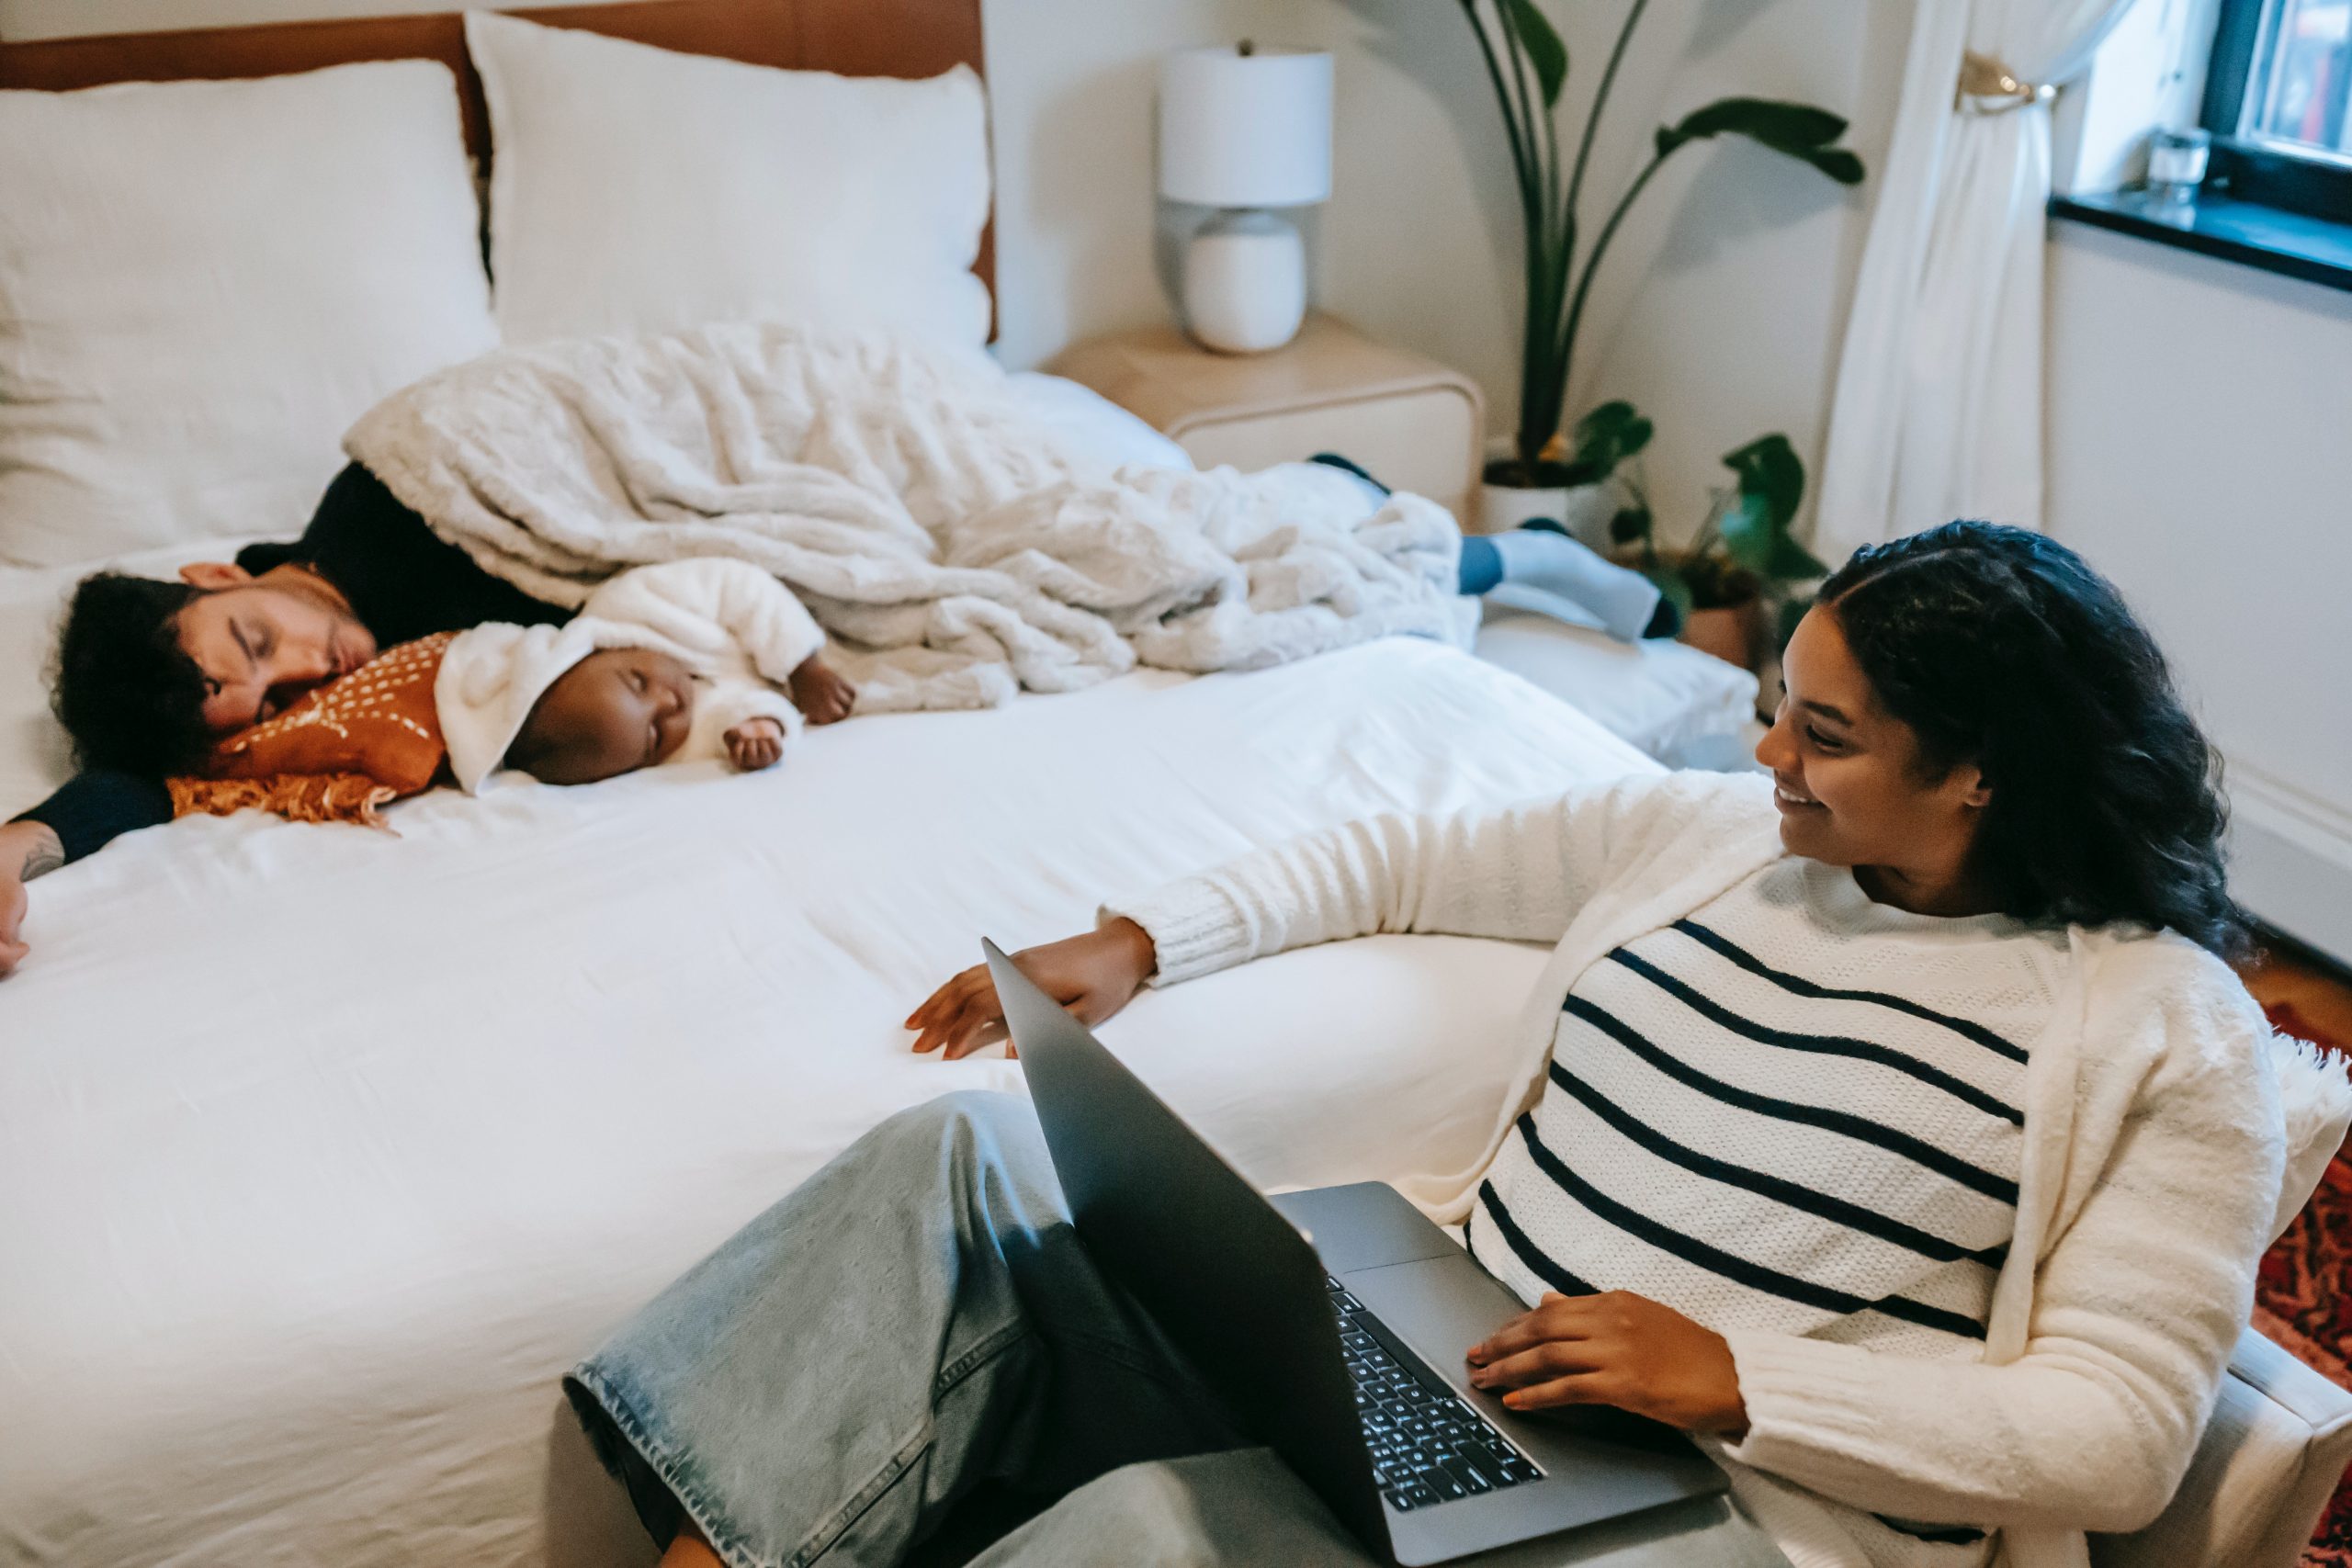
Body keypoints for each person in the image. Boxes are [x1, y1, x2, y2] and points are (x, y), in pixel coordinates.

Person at [561, 523, 2306, 1568]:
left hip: (1712, 1512)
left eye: (1825, 734)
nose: (1766, 749)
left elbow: (2119, 1431)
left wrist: (1734, 1377)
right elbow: (1414, 847)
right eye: (1773, 700)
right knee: (938, 1173)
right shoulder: (1711, 835)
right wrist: (1144, 936)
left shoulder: (2162, 1028)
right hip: (1442, 1376)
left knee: (1148, 1542)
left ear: (1981, 770)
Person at [0, 454, 1655, 977]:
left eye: (260, 628)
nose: (307, 660)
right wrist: (23, 838)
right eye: (272, 686)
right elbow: (148, 781)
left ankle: (1480, 542)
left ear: (223, 567)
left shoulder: (376, 507)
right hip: (715, 629)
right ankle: (1464, 550)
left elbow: (639, 496)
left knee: (1103, 521)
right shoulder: (300, 710)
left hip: (759, 524)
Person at [437, 557, 855, 791]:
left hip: (803, 611)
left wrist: (803, 667)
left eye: (637, 681)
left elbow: (740, 586)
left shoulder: (635, 602)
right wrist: (760, 730)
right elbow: (732, 715)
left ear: (593, 650)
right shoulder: (679, 744)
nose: (670, 703)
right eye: (654, 735)